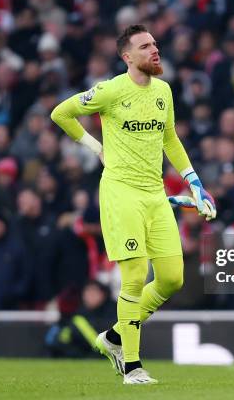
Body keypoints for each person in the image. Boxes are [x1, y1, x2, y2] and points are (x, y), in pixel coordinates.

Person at [51, 24, 216, 384]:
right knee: (136, 275)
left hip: (155, 194)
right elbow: (61, 113)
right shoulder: (111, 90)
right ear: (128, 57)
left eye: (155, 44)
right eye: (145, 46)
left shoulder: (164, 91)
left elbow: (169, 137)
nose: (154, 50)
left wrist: (194, 181)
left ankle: (112, 337)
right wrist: (97, 149)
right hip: (120, 192)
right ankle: (132, 366)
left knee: (172, 279)